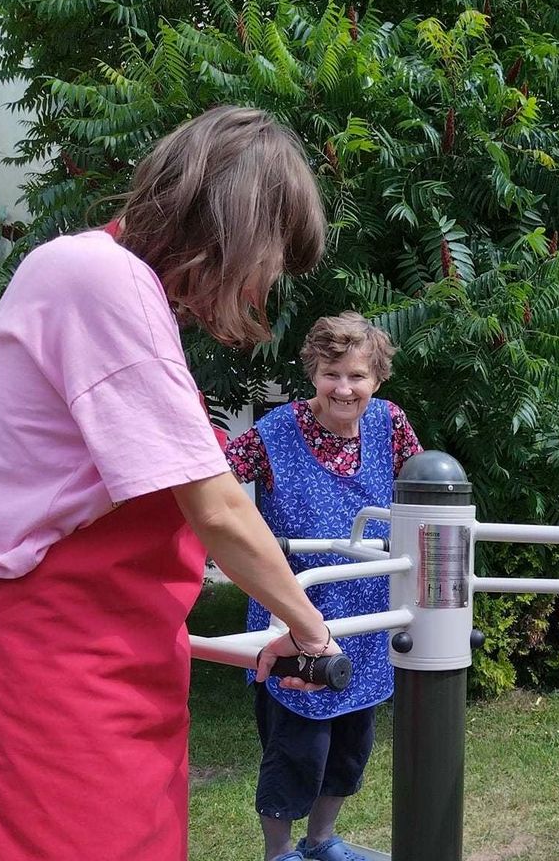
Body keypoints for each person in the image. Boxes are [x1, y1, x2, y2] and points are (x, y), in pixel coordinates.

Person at [0, 106, 343, 861]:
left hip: (124, 669)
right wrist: (309, 629)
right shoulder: (96, 276)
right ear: (235, 227)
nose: (264, 288)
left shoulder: (121, 292)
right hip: (58, 676)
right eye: (271, 262)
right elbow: (218, 505)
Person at [226, 312, 422, 861]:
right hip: (295, 617)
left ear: (376, 379)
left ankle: (321, 842)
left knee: (350, 747)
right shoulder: (275, 431)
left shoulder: (391, 424)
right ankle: (280, 852)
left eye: (357, 376)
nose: (344, 388)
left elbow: (425, 498)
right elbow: (212, 485)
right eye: (331, 373)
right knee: (297, 748)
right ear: (313, 371)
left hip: (370, 618)